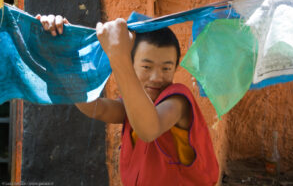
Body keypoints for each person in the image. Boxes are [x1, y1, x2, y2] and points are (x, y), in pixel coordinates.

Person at [37, 14, 219, 186]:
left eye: (166, 68)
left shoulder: (178, 101)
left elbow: (149, 129)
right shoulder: (131, 104)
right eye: (146, 66)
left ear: (176, 67)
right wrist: (65, 56)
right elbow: (96, 109)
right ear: (132, 64)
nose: (156, 77)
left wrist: (118, 56)